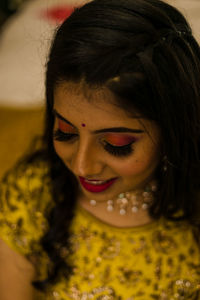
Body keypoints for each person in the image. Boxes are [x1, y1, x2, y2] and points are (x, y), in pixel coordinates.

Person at [0, 0, 200, 299]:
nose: (83, 166)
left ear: (173, 130)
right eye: (65, 133)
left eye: (115, 145)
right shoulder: (34, 192)